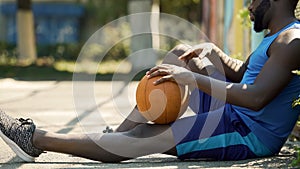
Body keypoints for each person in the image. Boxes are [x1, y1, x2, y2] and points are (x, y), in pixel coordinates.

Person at [1, 0, 300, 163]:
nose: (247, 7)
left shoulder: (292, 40)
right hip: (235, 116)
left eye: (251, 0)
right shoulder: (277, 35)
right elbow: (242, 72)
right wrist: (216, 54)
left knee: (145, 135)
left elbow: (256, 97)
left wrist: (193, 79)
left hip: (248, 134)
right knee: (182, 54)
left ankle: (36, 138)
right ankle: (116, 139)